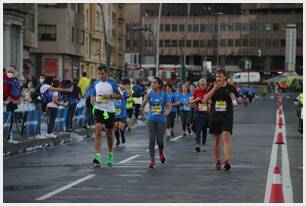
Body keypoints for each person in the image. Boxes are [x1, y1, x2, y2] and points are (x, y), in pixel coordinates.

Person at [204, 69, 242, 171]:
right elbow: (205, 99)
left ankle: (227, 161)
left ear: (225, 77)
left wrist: (234, 98)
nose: (218, 78)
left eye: (220, 76)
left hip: (227, 116)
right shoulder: (213, 86)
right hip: (215, 116)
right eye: (217, 77)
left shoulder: (230, 87)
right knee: (216, 140)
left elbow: (240, 100)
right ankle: (218, 161)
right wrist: (214, 88)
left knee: (225, 137)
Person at [91, 65, 122, 166]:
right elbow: (93, 94)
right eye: (99, 74)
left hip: (109, 110)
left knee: (109, 133)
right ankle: (98, 156)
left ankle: (110, 154)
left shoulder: (112, 83)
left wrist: (110, 96)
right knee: (98, 130)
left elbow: (120, 95)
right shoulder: (96, 83)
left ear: (106, 73)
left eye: (102, 73)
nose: (100, 75)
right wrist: (92, 100)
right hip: (99, 109)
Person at [142, 77, 171, 168]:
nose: (153, 84)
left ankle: (161, 152)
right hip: (151, 119)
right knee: (151, 140)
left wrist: (167, 112)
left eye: (155, 83)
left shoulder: (164, 94)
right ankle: (152, 160)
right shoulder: (150, 93)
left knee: (160, 141)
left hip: (161, 120)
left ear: (159, 84)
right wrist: (146, 99)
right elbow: (142, 104)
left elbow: (169, 106)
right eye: (152, 83)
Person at [190, 79, 210, 152]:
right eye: (201, 84)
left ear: (206, 84)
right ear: (199, 85)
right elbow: (191, 101)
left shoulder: (208, 92)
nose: (202, 86)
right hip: (197, 112)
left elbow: (211, 101)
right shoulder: (196, 91)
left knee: (204, 129)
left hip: (205, 113)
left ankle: (203, 143)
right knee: (198, 128)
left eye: (204, 84)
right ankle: (198, 144)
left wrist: (205, 100)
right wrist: (197, 100)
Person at [3, 66, 21, 143]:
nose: (10, 73)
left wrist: (18, 99)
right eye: (9, 71)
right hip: (8, 102)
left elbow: (17, 90)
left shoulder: (14, 80)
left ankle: (8, 137)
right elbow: (5, 93)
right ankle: (7, 137)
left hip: (13, 103)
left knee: (10, 121)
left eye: (12, 72)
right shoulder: (5, 80)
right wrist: (13, 100)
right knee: (7, 120)